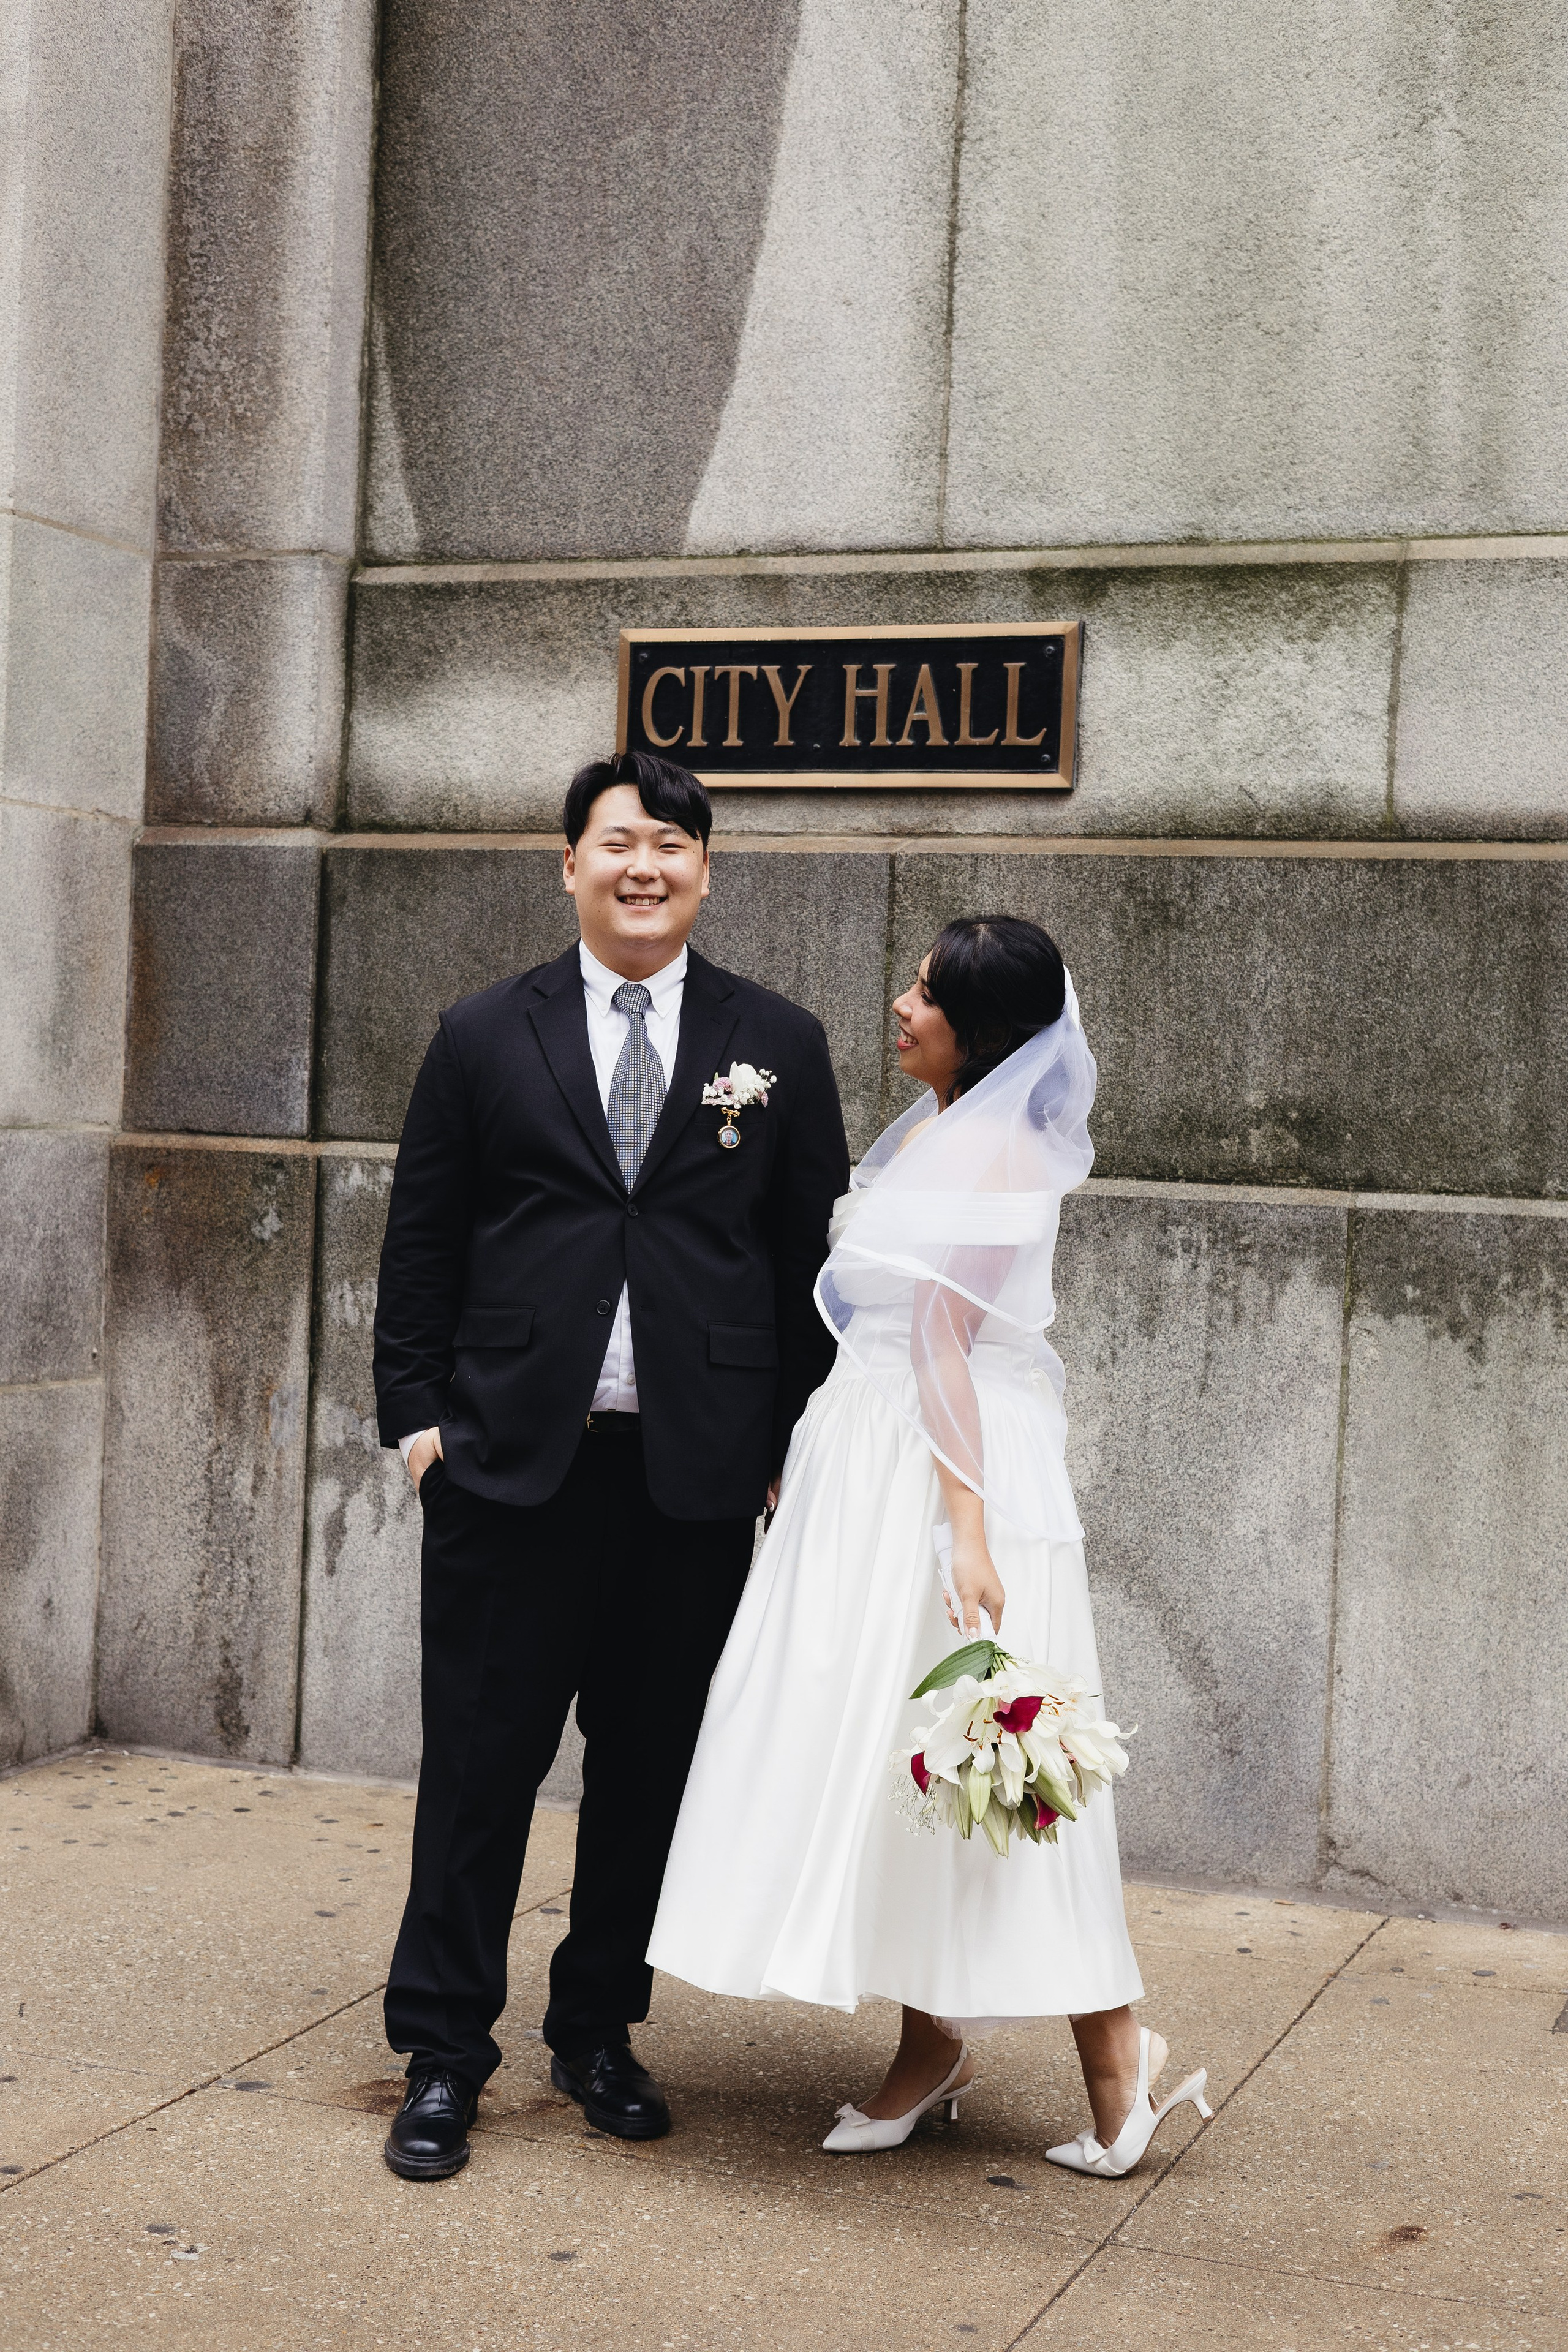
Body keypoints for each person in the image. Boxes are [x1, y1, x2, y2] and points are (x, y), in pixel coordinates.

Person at [649, 915, 1210, 2175]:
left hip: (943, 1472)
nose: (900, 1003)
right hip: (874, 1456)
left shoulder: (999, 1150)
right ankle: (930, 2044)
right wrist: (814, 1459)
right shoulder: (955, 1130)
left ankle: (1117, 2056)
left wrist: (965, 1534)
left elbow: (948, 1348)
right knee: (898, 1765)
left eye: (926, 992)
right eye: (909, 979)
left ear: (983, 1030)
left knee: (1001, 1763)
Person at [372, 749, 848, 2180]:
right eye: (618, 843)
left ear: (706, 871)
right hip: (510, 1466)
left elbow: (808, 1262)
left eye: (673, 847)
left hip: (689, 1479)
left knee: (646, 1775)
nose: (645, 867)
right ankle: (445, 2055)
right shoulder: (481, 1033)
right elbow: (423, 1244)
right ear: (567, 863)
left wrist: (784, 1446)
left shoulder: (780, 1039)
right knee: (478, 1773)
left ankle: (597, 2031)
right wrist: (415, 1426)